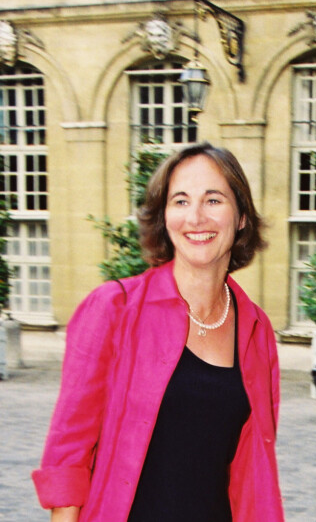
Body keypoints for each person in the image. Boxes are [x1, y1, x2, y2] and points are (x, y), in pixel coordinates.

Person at [32, 142, 285, 522]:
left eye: (213, 200)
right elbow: (69, 456)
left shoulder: (256, 330)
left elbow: (253, 469)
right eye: (180, 201)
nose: (195, 217)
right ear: (164, 216)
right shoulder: (113, 309)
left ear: (242, 216)